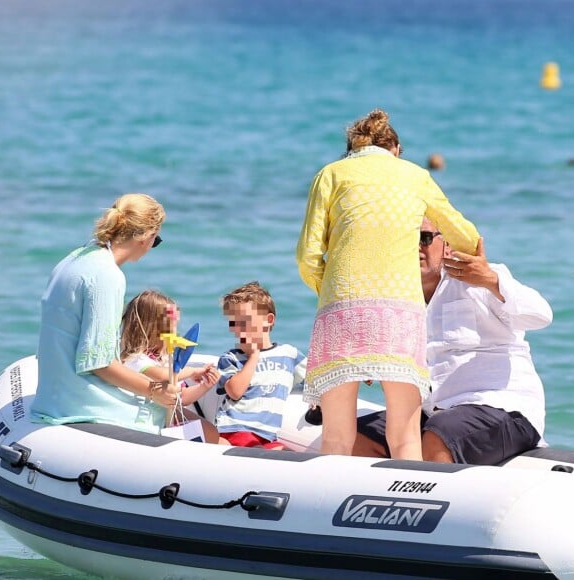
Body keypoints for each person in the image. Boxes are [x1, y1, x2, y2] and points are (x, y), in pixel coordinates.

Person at [296, 108, 480, 458]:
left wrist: (330, 292)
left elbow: (307, 255)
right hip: (400, 313)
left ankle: (327, 502)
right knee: (406, 436)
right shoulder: (416, 175)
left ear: (351, 148)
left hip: (343, 310)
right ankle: (408, 501)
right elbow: (461, 232)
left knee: (336, 437)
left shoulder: (331, 174)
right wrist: (475, 250)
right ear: (395, 148)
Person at [353, 218, 552, 464]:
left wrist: (490, 280)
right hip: (433, 412)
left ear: (446, 246)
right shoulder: (395, 298)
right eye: (405, 240)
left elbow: (541, 315)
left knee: (438, 435)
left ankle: (429, 498)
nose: (415, 247)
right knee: (359, 436)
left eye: (424, 238)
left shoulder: (480, 279)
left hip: (501, 407)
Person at [31, 193, 179, 434]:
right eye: (157, 239)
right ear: (147, 237)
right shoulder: (107, 275)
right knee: (165, 411)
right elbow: (99, 364)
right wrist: (154, 390)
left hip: (52, 393)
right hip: (74, 402)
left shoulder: (77, 256)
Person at [120, 290, 224, 443]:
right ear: (151, 328)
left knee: (212, 433)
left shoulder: (163, 361)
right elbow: (163, 376)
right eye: (171, 327)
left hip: (171, 414)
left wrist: (204, 386)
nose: (176, 333)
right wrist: (191, 371)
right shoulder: (136, 360)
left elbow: (182, 398)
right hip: (150, 421)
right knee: (212, 437)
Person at [215, 281, 307, 450]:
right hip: (234, 430)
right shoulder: (231, 358)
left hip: (268, 436)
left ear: (268, 320)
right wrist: (254, 356)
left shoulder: (289, 355)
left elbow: (317, 377)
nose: (239, 329)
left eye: (245, 321)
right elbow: (235, 392)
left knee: (297, 463)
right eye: (234, 323)